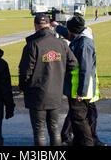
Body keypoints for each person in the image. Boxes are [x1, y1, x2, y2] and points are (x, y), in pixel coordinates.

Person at [19, 13, 78, 146]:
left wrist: (24, 88)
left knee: (39, 131)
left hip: (37, 93)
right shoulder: (61, 43)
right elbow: (73, 64)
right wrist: (60, 73)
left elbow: (25, 72)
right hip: (55, 92)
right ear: (49, 26)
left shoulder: (32, 45)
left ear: (35, 26)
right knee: (54, 128)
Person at [51, 17, 106, 146]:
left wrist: (81, 91)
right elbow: (67, 32)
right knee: (78, 120)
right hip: (77, 88)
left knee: (80, 120)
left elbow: (85, 70)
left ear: (72, 31)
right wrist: (57, 26)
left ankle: (88, 142)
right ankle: (79, 141)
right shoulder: (80, 38)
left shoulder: (84, 44)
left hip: (80, 90)